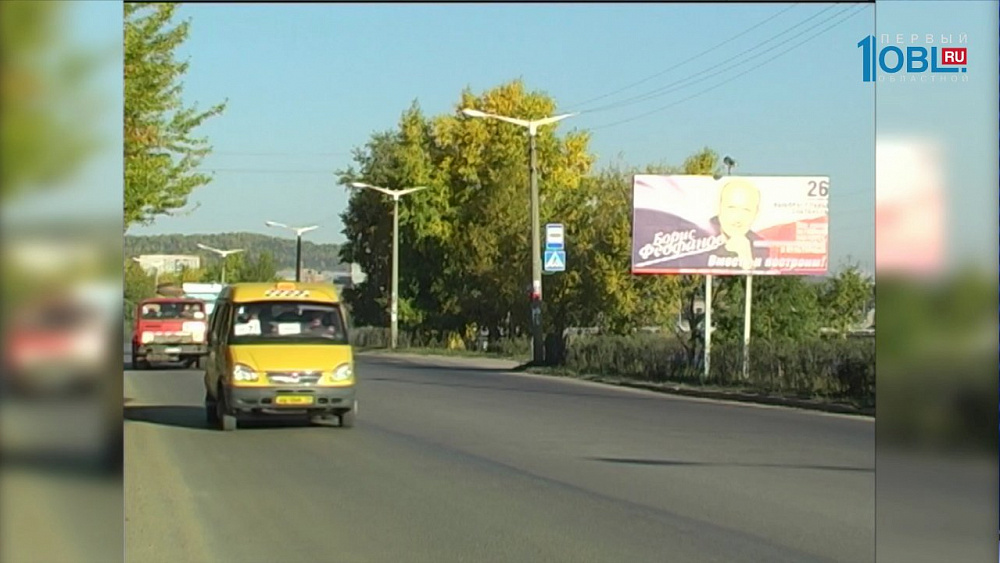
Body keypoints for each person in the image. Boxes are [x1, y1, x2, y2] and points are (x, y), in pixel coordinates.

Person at [631, 178, 769, 272]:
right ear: (719, 207)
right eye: (731, 208)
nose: (738, 218)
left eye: (746, 210)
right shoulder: (697, 234)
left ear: (756, 213)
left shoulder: (761, 247)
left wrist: (746, 259)